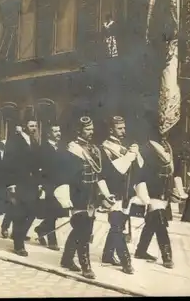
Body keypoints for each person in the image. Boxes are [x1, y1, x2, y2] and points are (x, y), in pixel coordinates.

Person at [56, 116, 115, 279]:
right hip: (77, 194)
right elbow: (64, 175)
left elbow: (99, 174)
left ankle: (67, 259)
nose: (91, 132)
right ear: (79, 130)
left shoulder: (95, 149)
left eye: (91, 129)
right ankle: (85, 265)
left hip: (91, 194)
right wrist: (64, 196)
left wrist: (105, 193)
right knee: (83, 230)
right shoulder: (71, 149)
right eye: (87, 129)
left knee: (83, 229)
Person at [134, 129, 187, 269]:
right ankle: (167, 256)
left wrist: (179, 190)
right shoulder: (146, 149)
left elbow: (176, 172)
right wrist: (144, 196)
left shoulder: (169, 147)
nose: (164, 133)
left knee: (153, 221)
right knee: (160, 221)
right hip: (152, 191)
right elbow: (139, 174)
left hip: (165, 191)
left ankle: (140, 250)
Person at [100, 116, 143, 275]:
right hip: (112, 192)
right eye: (120, 128)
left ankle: (107, 255)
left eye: (124, 128)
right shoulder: (105, 147)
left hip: (125, 192)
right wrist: (130, 155)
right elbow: (117, 170)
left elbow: (139, 167)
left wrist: (136, 154)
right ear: (111, 130)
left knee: (119, 225)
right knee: (117, 227)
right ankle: (126, 261)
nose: (123, 131)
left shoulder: (124, 146)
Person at [3, 117, 41, 256]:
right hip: (18, 183)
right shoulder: (14, 141)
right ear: (24, 126)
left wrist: (39, 182)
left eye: (35, 125)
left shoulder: (34, 142)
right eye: (31, 125)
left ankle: (18, 235)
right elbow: (8, 163)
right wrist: (10, 185)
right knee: (19, 213)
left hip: (31, 184)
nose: (34, 128)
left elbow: (37, 164)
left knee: (31, 213)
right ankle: (19, 245)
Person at [35, 121, 67, 251]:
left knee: (56, 212)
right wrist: (40, 184)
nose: (58, 133)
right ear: (49, 134)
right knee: (51, 212)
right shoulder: (43, 148)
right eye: (55, 131)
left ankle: (41, 229)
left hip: (59, 184)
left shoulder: (61, 148)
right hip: (47, 184)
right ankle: (52, 241)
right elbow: (39, 167)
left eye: (59, 131)